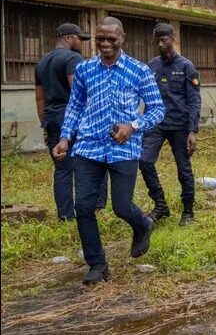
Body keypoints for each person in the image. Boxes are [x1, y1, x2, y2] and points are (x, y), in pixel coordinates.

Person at [53, 18, 165, 284]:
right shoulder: (85, 69)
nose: (105, 44)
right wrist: (65, 137)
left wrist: (133, 125)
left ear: (122, 38)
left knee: (122, 206)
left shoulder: (139, 70)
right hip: (88, 147)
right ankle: (97, 265)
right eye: (100, 38)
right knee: (83, 206)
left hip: (123, 149)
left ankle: (143, 224)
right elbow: (76, 106)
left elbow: (158, 109)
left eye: (111, 39)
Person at [35, 23, 106, 220]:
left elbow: (39, 98)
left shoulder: (42, 62)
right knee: (96, 160)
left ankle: (65, 215)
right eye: (79, 39)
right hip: (72, 119)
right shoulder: (73, 58)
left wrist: (45, 125)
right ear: (68, 38)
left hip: (52, 118)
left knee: (63, 169)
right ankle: (97, 206)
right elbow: (79, 94)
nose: (81, 43)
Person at [140, 23, 202, 226]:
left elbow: (194, 100)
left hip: (179, 125)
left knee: (183, 168)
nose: (160, 44)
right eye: (157, 40)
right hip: (156, 123)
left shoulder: (186, 66)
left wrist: (192, 130)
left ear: (172, 39)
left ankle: (188, 212)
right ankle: (160, 205)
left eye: (164, 40)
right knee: (144, 160)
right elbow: (145, 96)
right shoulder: (152, 66)